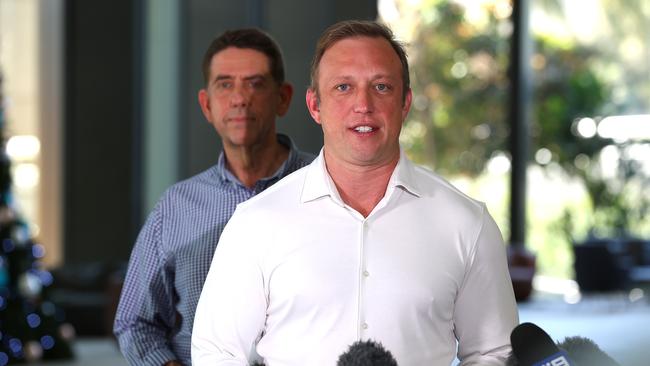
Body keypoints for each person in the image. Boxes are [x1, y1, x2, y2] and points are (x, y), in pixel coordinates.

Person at [192, 20, 518, 366]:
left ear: (405, 103)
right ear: (314, 105)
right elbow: (218, 352)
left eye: (381, 87)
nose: (363, 104)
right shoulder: (256, 223)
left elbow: (493, 352)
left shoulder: (466, 222)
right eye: (343, 87)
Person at [113, 28, 314, 366]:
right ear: (207, 104)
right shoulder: (176, 208)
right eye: (225, 84)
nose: (239, 98)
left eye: (255, 83)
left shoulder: (327, 186)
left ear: (283, 97)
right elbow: (135, 322)